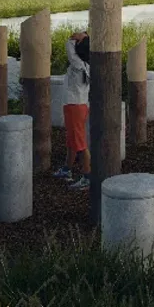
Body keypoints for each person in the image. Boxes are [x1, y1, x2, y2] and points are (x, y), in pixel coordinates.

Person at [54, 31, 92, 190]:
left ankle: (87, 177)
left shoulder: (77, 64)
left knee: (80, 144)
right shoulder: (87, 64)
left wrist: (72, 39)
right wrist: (83, 36)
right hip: (78, 106)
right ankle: (67, 169)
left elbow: (69, 49)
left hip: (74, 107)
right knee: (72, 141)